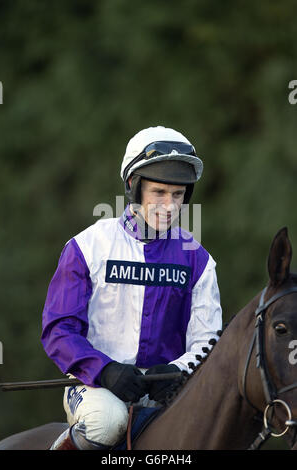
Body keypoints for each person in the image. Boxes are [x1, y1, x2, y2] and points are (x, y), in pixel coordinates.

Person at [41, 125, 223, 450]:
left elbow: (208, 340)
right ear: (133, 187)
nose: (169, 205)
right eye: (159, 193)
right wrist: (105, 370)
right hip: (95, 386)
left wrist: (176, 371)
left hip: (168, 388)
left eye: (178, 195)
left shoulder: (198, 260)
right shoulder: (87, 247)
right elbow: (59, 329)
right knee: (107, 421)